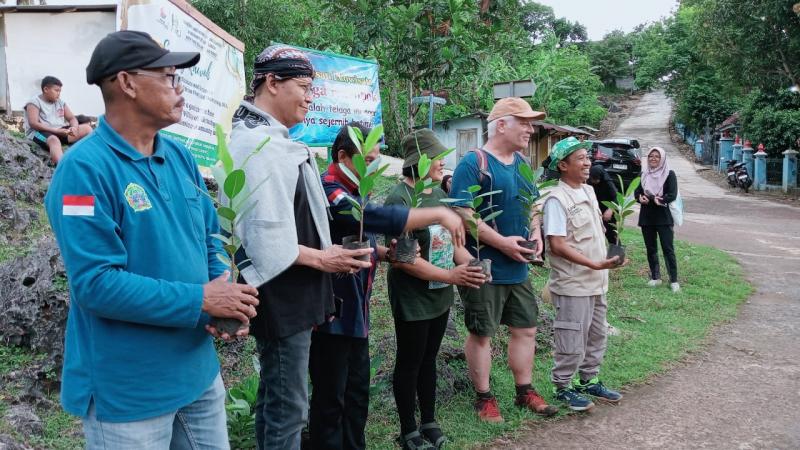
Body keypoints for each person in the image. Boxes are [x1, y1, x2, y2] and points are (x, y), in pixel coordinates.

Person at [43, 30, 260, 449]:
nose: (180, 90)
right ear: (127, 83)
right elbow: (96, 284)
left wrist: (223, 295)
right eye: (169, 77)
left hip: (198, 375)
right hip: (130, 392)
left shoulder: (178, 157)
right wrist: (200, 299)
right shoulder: (82, 172)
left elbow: (209, 237)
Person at [227, 45, 374, 450]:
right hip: (281, 292)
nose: (310, 98)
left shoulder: (276, 141)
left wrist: (328, 257)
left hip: (297, 288)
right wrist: (323, 257)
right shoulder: (254, 145)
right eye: (305, 87)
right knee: (288, 406)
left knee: (282, 400)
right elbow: (260, 236)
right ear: (273, 83)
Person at [309, 124, 465, 450]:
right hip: (331, 313)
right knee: (331, 398)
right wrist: (437, 214)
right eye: (367, 160)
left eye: (376, 159)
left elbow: (359, 238)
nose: (373, 167)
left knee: (356, 394)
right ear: (342, 156)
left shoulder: (356, 189)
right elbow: (365, 217)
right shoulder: (329, 188)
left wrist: (384, 253)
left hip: (358, 310)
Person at [450, 97, 558, 423]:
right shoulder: (473, 163)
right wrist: (501, 243)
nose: (530, 129)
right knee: (482, 333)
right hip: (484, 266)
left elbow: (533, 204)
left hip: (518, 266)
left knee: (526, 329)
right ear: (501, 125)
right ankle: (484, 398)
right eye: (523, 123)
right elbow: (463, 213)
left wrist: (536, 233)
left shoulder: (522, 163)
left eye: (530, 123)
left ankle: (524, 391)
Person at [384, 129, 486, 450]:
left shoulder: (439, 195)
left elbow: (454, 245)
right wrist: (452, 276)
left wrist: (472, 266)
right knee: (410, 361)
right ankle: (408, 430)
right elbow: (404, 261)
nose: (443, 163)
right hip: (413, 297)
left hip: (439, 293)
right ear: (420, 160)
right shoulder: (400, 199)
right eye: (437, 157)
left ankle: (429, 421)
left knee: (430, 358)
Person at [542, 136, 623, 411]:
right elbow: (557, 245)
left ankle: (588, 380)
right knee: (572, 337)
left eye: (588, 158)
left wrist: (608, 259)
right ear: (563, 166)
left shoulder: (588, 191)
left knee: (597, 334)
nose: (588, 163)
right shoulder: (557, 199)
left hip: (597, 281)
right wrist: (593, 264)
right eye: (581, 159)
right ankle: (562, 386)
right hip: (573, 282)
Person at [635, 146, 679, 292]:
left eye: (657, 156)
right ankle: (655, 277)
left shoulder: (669, 174)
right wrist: (640, 198)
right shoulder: (643, 174)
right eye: (651, 156)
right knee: (651, 248)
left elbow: (672, 194)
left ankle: (673, 280)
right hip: (647, 217)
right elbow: (637, 192)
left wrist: (658, 199)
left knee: (668, 248)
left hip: (663, 217)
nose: (653, 159)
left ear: (662, 159)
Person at [24, 76, 92, 164]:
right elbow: (33, 123)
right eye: (56, 90)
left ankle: (92, 158)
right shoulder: (34, 102)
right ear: (46, 89)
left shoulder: (60, 102)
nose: (59, 93)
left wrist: (74, 128)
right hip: (38, 133)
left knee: (87, 128)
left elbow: (72, 118)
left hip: (60, 131)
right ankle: (63, 167)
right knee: (54, 140)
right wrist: (56, 131)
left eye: (60, 91)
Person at [588, 165, 619, 244]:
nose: (594, 181)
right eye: (592, 179)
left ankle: (616, 251)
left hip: (608, 210)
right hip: (596, 210)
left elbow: (616, 198)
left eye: (596, 179)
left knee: (611, 234)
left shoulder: (608, 183)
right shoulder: (589, 182)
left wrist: (610, 210)